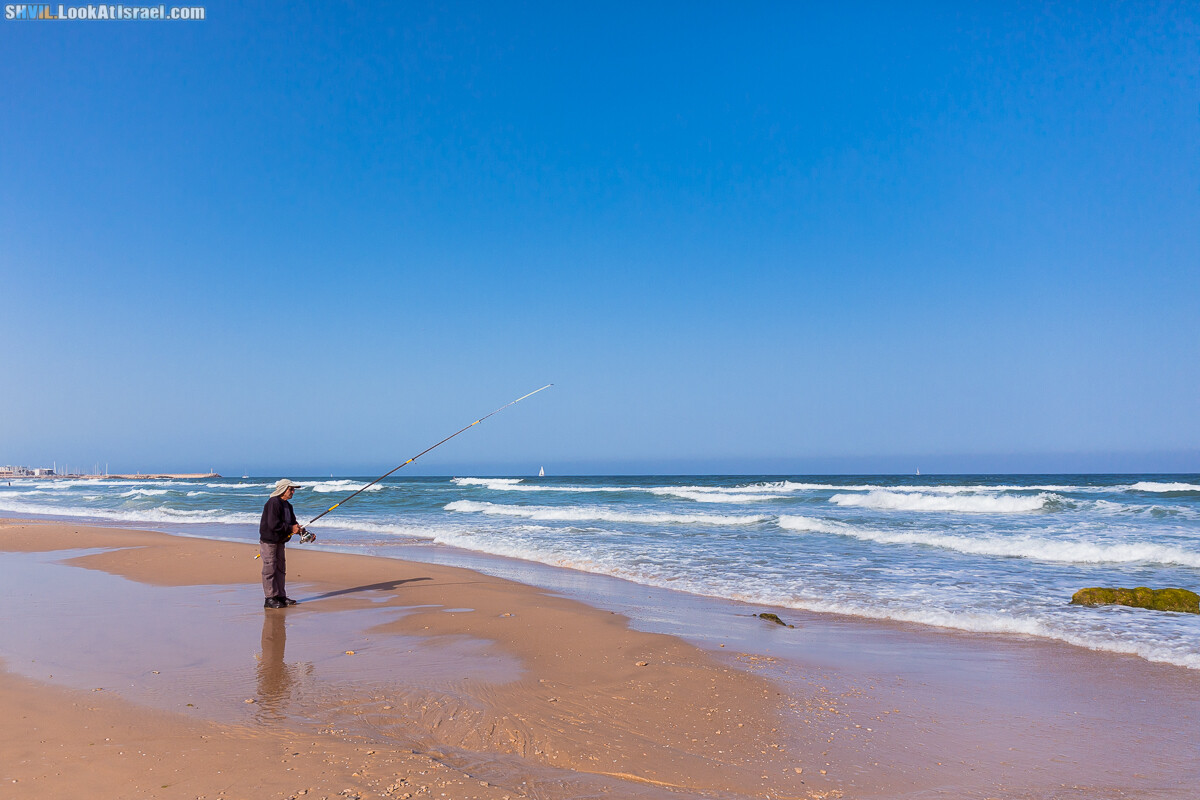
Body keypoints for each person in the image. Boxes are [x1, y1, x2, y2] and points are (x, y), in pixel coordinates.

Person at [260, 478, 304, 609]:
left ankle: (280, 596)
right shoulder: (273, 502)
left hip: (280, 541)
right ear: (283, 490)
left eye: (293, 489)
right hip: (269, 541)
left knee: (280, 569)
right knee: (270, 569)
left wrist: (304, 533)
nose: (293, 492)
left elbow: (293, 524)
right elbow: (273, 524)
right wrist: (291, 529)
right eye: (291, 489)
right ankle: (270, 598)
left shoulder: (288, 505)